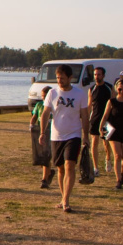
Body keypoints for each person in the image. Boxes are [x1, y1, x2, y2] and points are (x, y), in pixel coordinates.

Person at [39, 64, 90, 213]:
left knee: (69, 165)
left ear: (70, 78)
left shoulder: (80, 94)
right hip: (56, 135)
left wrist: (86, 136)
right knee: (60, 168)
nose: (59, 81)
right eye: (57, 78)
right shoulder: (52, 93)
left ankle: (66, 200)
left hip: (74, 135)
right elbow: (45, 113)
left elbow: (85, 116)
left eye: (62, 78)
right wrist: (42, 132)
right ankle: (63, 198)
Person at [88, 67, 114, 176]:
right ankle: (96, 168)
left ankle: (108, 159)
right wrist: (86, 118)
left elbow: (113, 103)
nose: (96, 77)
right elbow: (89, 105)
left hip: (107, 120)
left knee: (106, 143)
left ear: (103, 75)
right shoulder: (92, 89)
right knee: (94, 143)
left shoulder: (109, 88)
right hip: (95, 119)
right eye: (95, 74)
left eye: (98, 74)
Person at [30, 86, 55, 189]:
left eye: (45, 96)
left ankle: (44, 179)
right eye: (42, 96)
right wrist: (31, 125)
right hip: (42, 133)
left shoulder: (55, 105)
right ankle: (49, 173)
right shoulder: (39, 105)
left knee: (46, 156)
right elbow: (34, 117)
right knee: (42, 157)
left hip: (52, 133)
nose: (43, 98)